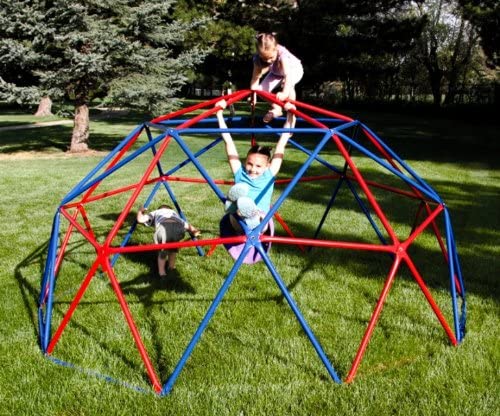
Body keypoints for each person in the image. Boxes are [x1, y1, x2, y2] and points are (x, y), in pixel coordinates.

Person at [215, 98, 295, 232]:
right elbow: (228, 141)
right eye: (250, 164)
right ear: (245, 162)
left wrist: (290, 114)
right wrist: (218, 113)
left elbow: (282, 143)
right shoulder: (240, 173)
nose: (253, 169)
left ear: (267, 166)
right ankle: (236, 205)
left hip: (260, 223)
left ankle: (248, 212)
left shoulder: (269, 174)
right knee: (236, 214)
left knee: (260, 217)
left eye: (258, 166)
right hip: (238, 222)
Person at [250, 32, 303, 123]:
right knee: (260, 91)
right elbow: (255, 79)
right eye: (264, 58)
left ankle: (291, 115)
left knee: (287, 85)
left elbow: (288, 75)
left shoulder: (282, 54)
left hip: (294, 70)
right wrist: (253, 96)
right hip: (276, 73)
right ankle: (277, 108)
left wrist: (284, 93)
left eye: (271, 57)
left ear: (276, 49)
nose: (268, 61)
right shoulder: (257, 59)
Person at [136, 204, 200, 277]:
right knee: (173, 250)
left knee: (162, 252)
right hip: (178, 228)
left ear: (159, 209)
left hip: (163, 227)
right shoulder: (174, 214)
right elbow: (188, 226)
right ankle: (171, 267)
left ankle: (162, 273)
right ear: (170, 209)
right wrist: (195, 231)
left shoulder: (156, 212)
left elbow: (140, 219)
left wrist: (140, 211)